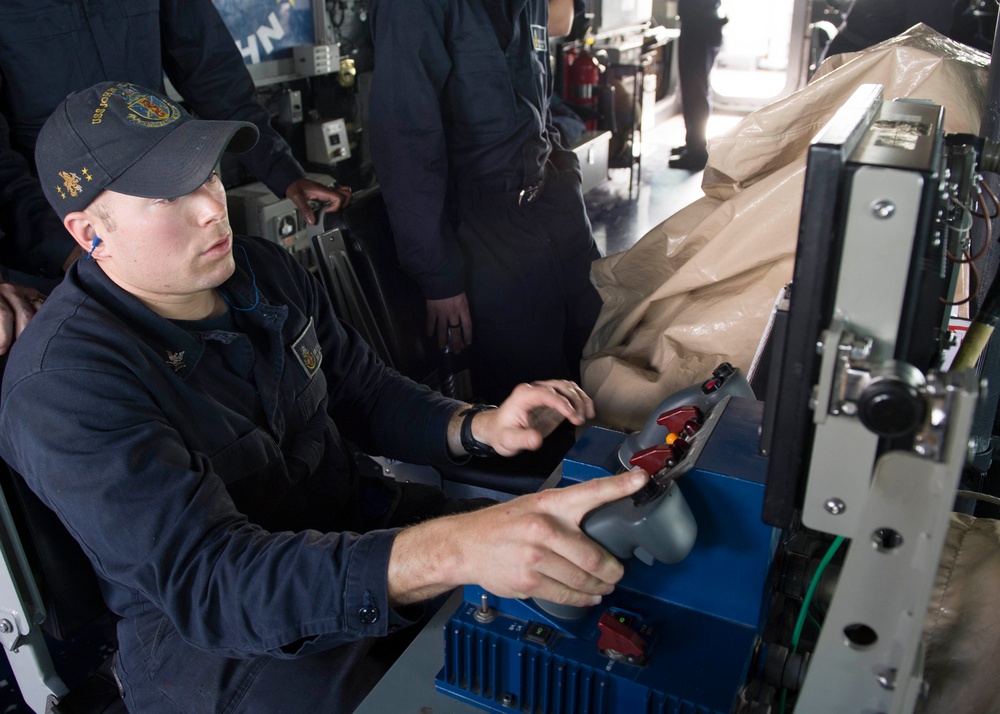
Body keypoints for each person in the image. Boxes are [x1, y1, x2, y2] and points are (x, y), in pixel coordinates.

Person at [0, 81, 649, 713]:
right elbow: (213, 586)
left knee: (588, 615)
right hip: (224, 654)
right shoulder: (65, 386)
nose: (210, 206)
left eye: (206, 174)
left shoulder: (261, 271)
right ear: (90, 232)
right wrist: (456, 548)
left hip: (353, 533)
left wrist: (479, 426)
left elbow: (361, 391)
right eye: (168, 196)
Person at [0, 0, 351, 290]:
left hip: (170, 201)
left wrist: (281, 169)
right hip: (62, 236)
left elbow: (211, 69)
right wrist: (66, 250)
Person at [368, 0, 604, 405]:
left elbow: (538, 106)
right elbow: (406, 145)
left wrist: (566, 175)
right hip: (485, 234)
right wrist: (439, 277)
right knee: (538, 399)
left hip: (555, 212)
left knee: (603, 361)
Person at [669, 0, 727, 172]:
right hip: (699, 24)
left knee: (696, 92)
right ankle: (693, 143)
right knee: (693, 90)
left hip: (699, 27)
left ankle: (697, 151)